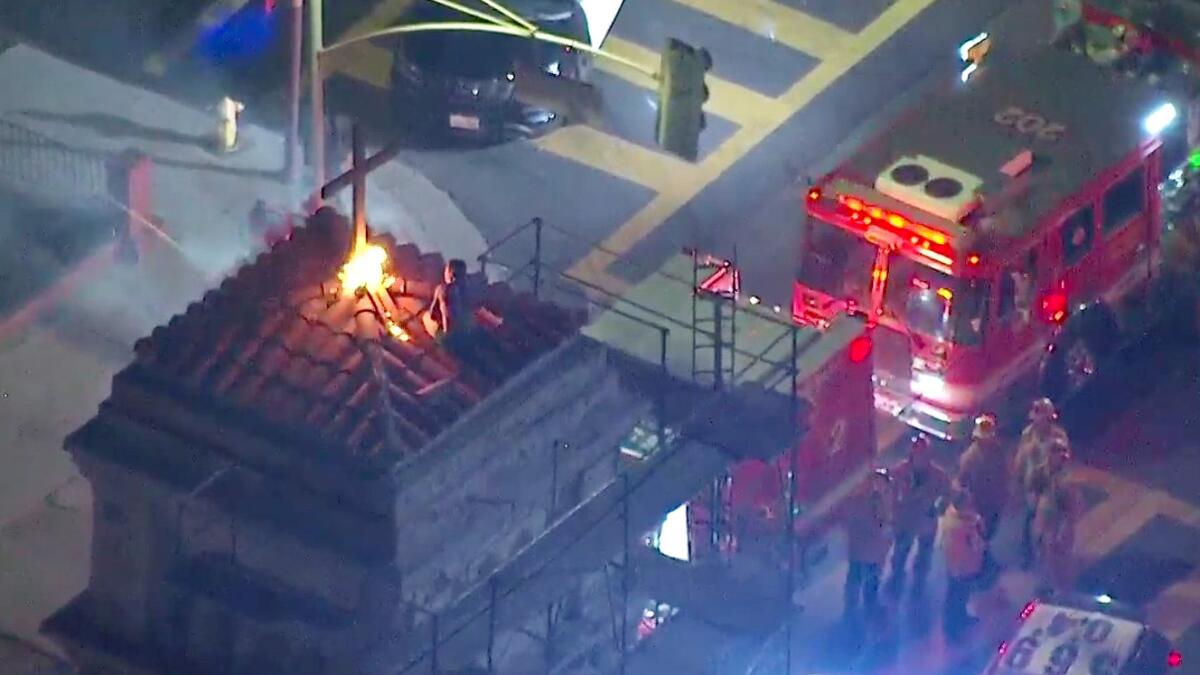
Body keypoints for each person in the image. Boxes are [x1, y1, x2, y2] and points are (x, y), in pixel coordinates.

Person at [887, 434, 951, 596]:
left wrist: (938, 508)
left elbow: (947, 494)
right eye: (917, 455)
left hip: (926, 523)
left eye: (923, 455)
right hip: (905, 522)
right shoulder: (899, 472)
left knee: (924, 555)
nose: (920, 459)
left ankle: (918, 583)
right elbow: (889, 493)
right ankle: (896, 578)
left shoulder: (938, 476)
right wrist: (893, 513)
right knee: (900, 553)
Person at [1014, 398, 1069, 565]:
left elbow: (1064, 461)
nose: (1040, 422)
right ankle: (1028, 554)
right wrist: (1019, 477)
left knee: (1049, 523)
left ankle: (1048, 553)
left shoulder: (1058, 437)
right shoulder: (1028, 435)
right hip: (1032, 484)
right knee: (1029, 519)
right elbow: (1021, 458)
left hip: (1051, 487)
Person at [1030, 440, 1080, 593]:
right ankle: (1045, 585)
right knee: (1042, 556)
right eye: (1056, 454)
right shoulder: (1039, 473)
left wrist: (1063, 529)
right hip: (1042, 521)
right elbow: (1033, 495)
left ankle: (1062, 589)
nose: (1060, 458)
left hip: (1060, 525)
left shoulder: (1067, 480)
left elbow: (1072, 508)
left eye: (1062, 455)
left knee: (1060, 560)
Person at [843, 469, 893, 621]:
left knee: (867, 581)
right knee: (857, 579)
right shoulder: (859, 500)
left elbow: (886, 520)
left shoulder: (881, 499)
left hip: (872, 551)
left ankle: (863, 607)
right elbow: (871, 523)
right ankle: (853, 611)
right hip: (863, 550)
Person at [940, 488, 987, 639]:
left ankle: (960, 617)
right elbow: (975, 542)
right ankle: (952, 628)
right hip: (962, 566)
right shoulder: (963, 525)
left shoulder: (954, 515)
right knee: (957, 596)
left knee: (958, 596)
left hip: (960, 565)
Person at [957, 413, 1009, 539]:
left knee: (989, 530)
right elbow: (963, 481)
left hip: (993, 501)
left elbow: (1004, 473)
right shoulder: (969, 457)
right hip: (977, 502)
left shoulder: (998, 451)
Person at [424, 259, 477, 346]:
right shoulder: (469, 291)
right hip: (468, 335)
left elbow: (432, 314)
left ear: (449, 274)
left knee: (425, 317)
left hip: (450, 339)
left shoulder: (442, 289)